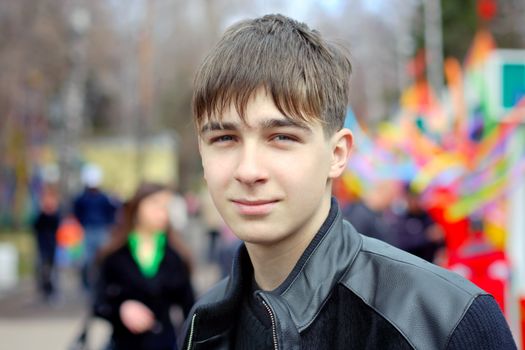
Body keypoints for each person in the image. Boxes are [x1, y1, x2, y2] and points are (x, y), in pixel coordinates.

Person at [180, 14, 516, 350]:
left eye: (281, 137)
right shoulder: (203, 325)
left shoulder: (445, 320)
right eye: (225, 138)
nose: (248, 170)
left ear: (337, 154)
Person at [93, 182, 195, 350]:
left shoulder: (176, 255)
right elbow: (98, 302)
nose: (162, 211)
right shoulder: (114, 254)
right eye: (155, 203)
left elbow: (190, 307)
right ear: (137, 205)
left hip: (164, 342)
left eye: (166, 206)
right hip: (124, 343)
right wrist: (121, 308)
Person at [73, 164, 119, 291]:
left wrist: (109, 224)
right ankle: (87, 284)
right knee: (87, 260)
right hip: (88, 230)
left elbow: (112, 211)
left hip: (101, 230)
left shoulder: (104, 198)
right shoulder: (82, 198)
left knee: (103, 258)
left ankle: (104, 283)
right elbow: (77, 212)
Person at [32, 183, 61, 303]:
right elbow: (35, 226)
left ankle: (52, 291)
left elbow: (58, 225)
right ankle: (44, 290)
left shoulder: (56, 213)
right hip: (42, 244)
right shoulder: (41, 214)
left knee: (52, 269)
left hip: (53, 244)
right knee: (42, 268)